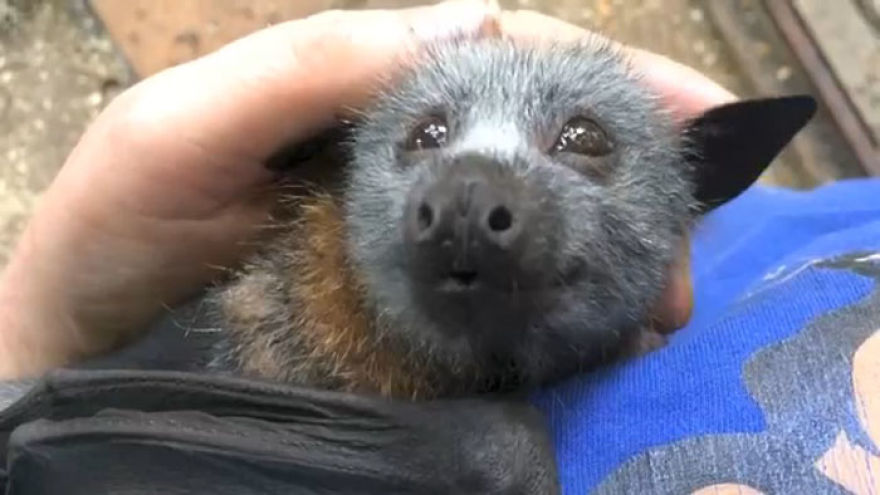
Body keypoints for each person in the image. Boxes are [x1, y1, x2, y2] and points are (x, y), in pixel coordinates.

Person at [2, 1, 878, 493]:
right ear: (339, 179)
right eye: (424, 138)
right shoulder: (297, 326)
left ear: (696, 186)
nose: (467, 195)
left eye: (582, 142)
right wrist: (36, 327)